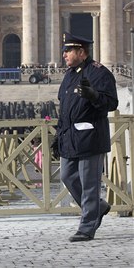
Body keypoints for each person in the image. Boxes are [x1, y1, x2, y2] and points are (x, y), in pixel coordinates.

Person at [52, 32, 118, 242]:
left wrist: (94, 96)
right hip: (69, 136)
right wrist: (57, 136)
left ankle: (87, 226)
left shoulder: (100, 73)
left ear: (81, 52)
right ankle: (98, 207)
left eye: (68, 51)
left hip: (90, 136)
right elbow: (65, 108)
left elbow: (111, 103)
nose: (64, 55)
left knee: (89, 184)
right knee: (67, 177)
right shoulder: (70, 74)